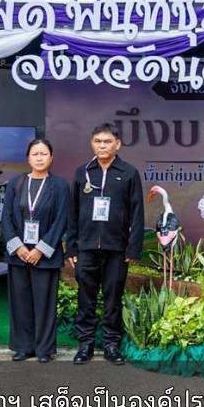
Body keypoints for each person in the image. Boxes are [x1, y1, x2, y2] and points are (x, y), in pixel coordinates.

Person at [68, 123, 144, 365]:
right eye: (98, 141)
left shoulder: (129, 172)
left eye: (107, 141)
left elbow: (137, 213)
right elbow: (73, 212)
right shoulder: (82, 172)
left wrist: (133, 248)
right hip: (86, 247)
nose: (102, 145)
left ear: (117, 144)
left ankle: (111, 344)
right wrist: (71, 247)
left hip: (117, 250)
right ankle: (85, 345)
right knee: (85, 298)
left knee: (113, 298)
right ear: (92, 144)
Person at [2, 138, 70, 363]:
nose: (39, 158)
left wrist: (40, 249)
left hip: (46, 256)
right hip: (19, 255)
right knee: (20, 302)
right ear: (28, 158)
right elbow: (7, 219)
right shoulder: (15, 184)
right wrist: (18, 247)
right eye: (35, 154)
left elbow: (62, 220)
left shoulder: (59, 186)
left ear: (51, 158)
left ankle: (44, 349)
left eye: (43, 154)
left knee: (44, 303)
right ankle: (23, 346)